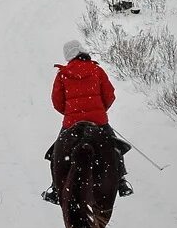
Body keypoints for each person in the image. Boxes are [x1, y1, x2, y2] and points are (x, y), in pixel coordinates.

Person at [41, 39, 133, 204]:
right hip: (98, 121)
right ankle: (121, 182)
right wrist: (98, 111)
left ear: (68, 56)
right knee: (115, 149)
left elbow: (57, 102)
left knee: (56, 154)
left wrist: (72, 113)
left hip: (72, 123)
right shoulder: (97, 70)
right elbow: (110, 95)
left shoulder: (62, 74)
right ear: (82, 51)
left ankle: (55, 189)